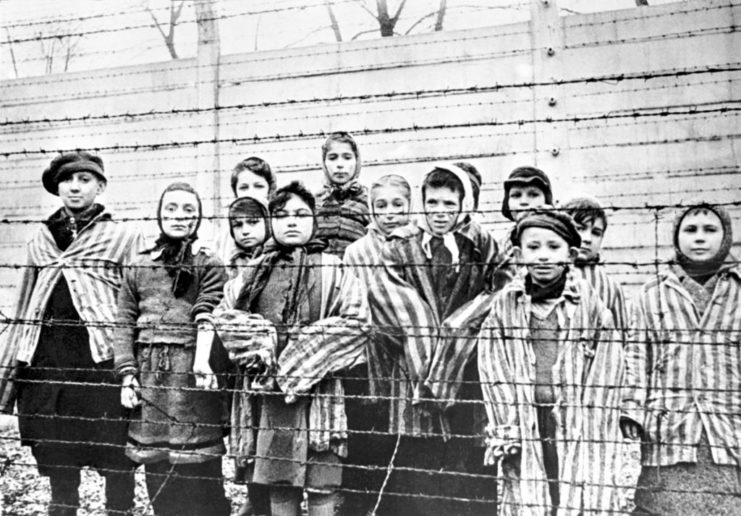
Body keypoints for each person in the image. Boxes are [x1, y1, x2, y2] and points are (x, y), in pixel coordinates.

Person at [0, 152, 143, 516]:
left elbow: (136, 300)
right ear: (57, 187)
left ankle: (119, 511)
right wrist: (11, 368)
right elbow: (23, 305)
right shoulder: (41, 240)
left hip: (100, 365)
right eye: (68, 180)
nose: (75, 187)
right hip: (50, 366)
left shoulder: (122, 237)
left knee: (116, 456)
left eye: (84, 180)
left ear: (101, 186)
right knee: (58, 456)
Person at [214, 181, 369, 516]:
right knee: (279, 485)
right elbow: (225, 315)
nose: (292, 222)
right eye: (282, 215)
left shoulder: (334, 268)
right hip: (269, 397)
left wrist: (303, 357)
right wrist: (259, 342)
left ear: (314, 219)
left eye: (301, 214)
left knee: (321, 485)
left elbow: (357, 324)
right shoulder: (255, 271)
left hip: (320, 395)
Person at [366, 165, 498, 515]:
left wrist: (459, 335)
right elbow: (391, 307)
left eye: (449, 203)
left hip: (466, 376)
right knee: (417, 478)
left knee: (462, 474)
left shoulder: (480, 244)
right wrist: (429, 353)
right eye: (432, 202)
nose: (441, 212)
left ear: (463, 204)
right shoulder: (398, 246)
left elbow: (497, 293)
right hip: (412, 378)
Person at [478, 208, 625, 515]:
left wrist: (593, 423)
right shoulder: (507, 306)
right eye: (533, 248)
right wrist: (507, 425)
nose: (543, 256)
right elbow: (493, 365)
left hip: (576, 421)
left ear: (571, 254)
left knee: (574, 489)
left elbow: (608, 369)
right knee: (529, 491)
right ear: (519, 254)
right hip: (527, 418)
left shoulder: (590, 306)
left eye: (553, 247)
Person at [113, 182, 230, 516]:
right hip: (150, 379)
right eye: (171, 209)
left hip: (192, 378)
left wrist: (202, 361)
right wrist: (127, 374)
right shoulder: (138, 265)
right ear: (160, 215)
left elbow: (212, 314)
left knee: (201, 476)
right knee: (158, 471)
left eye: (188, 210)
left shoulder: (209, 264)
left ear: (199, 217)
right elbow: (124, 321)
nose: (179, 217)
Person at [621, 202, 741, 515]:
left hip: (727, 429)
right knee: (663, 504)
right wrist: (632, 409)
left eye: (709, 230)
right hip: (668, 430)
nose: (699, 238)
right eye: (690, 230)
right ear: (676, 238)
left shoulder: (738, 295)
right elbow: (636, 353)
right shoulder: (652, 294)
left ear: (725, 238)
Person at [341, 174, 414, 515]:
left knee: (401, 437)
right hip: (368, 355)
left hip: (410, 356)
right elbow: (351, 303)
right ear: (370, 210)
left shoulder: (418, 245)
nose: (390, 213)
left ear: (410, 207)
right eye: (381, 206)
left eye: (398, 205)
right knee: (368, 436)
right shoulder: (357, 251)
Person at [225, 194, 273, 516]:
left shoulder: (276, 259)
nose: (245, 231)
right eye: (237, 225)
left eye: (253, 223)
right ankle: (256, 501)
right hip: (241, 367)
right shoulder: (233, 265)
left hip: (270, 365)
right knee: (249, 437)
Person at [563, 196, 628, 330]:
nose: (587, 239)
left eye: (596, 233)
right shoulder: (544, 272)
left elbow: (620, 338)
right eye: (580, 228)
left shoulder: (611, 287)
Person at [314, 131, 371, 257]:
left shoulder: (368, 202)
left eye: (347, 157)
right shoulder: (314, 203)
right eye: (333, 158)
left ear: (357, 161)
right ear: (324, 162)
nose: (340, 165)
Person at [216, 156, 277, 267]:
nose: (251, 193)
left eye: (259, 186)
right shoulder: (225, 235)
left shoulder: (279, 227)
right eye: (244, 188)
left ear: (269, 190)